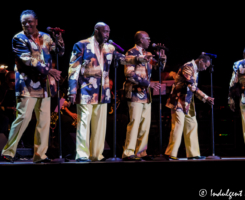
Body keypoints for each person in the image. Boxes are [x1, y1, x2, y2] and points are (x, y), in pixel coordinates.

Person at [68, 23, 153, 162]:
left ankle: (96, 154)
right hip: (86, 90)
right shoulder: (81, 44)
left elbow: (122, 59)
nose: (107, 34)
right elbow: (73, 68)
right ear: (96, 31)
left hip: (103, 92)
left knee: (100, 125)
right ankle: (82, 154)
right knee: (84, 122)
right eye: (105, 32)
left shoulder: (110, 47)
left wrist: (138, 59)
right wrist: (72, 90)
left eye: (109, 32)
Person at [1, 10, 64, 163]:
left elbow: (58, 53)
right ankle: (8, 152)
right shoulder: (18, 38)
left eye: (30, 21)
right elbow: (27, 60)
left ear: (36, 21)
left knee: (44, 120)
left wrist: (60, 41)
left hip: (45, 85)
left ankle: (40, 155)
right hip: (27, 83)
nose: (27, 25)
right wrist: (49, 70)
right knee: (23, 117)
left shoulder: (46, 37)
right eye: (24, 22)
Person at [122, 31, 166, 161]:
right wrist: (148, 83)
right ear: (141, 40)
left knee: (145, 124)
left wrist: (161, 58)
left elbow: (159, 68)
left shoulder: (148, 54)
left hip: (146, 95)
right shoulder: (131, 53)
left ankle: (141, 152)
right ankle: (128, 152)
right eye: (148, 38)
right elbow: (129, 74)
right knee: (134, 122)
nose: (149, 41)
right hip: (135, 92)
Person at [165, 54, 214, 160]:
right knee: (178, 125)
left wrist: (205, 99)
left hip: (187, 102)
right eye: (205, 66)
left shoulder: (195, 70)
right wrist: (206, 97)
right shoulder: (187, 67)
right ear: (201, 61)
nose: (205, 69)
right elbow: (191, 86)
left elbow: (194, 89)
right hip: (178, 100)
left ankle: (193, 154)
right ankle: (170, 153)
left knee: (192, 125)